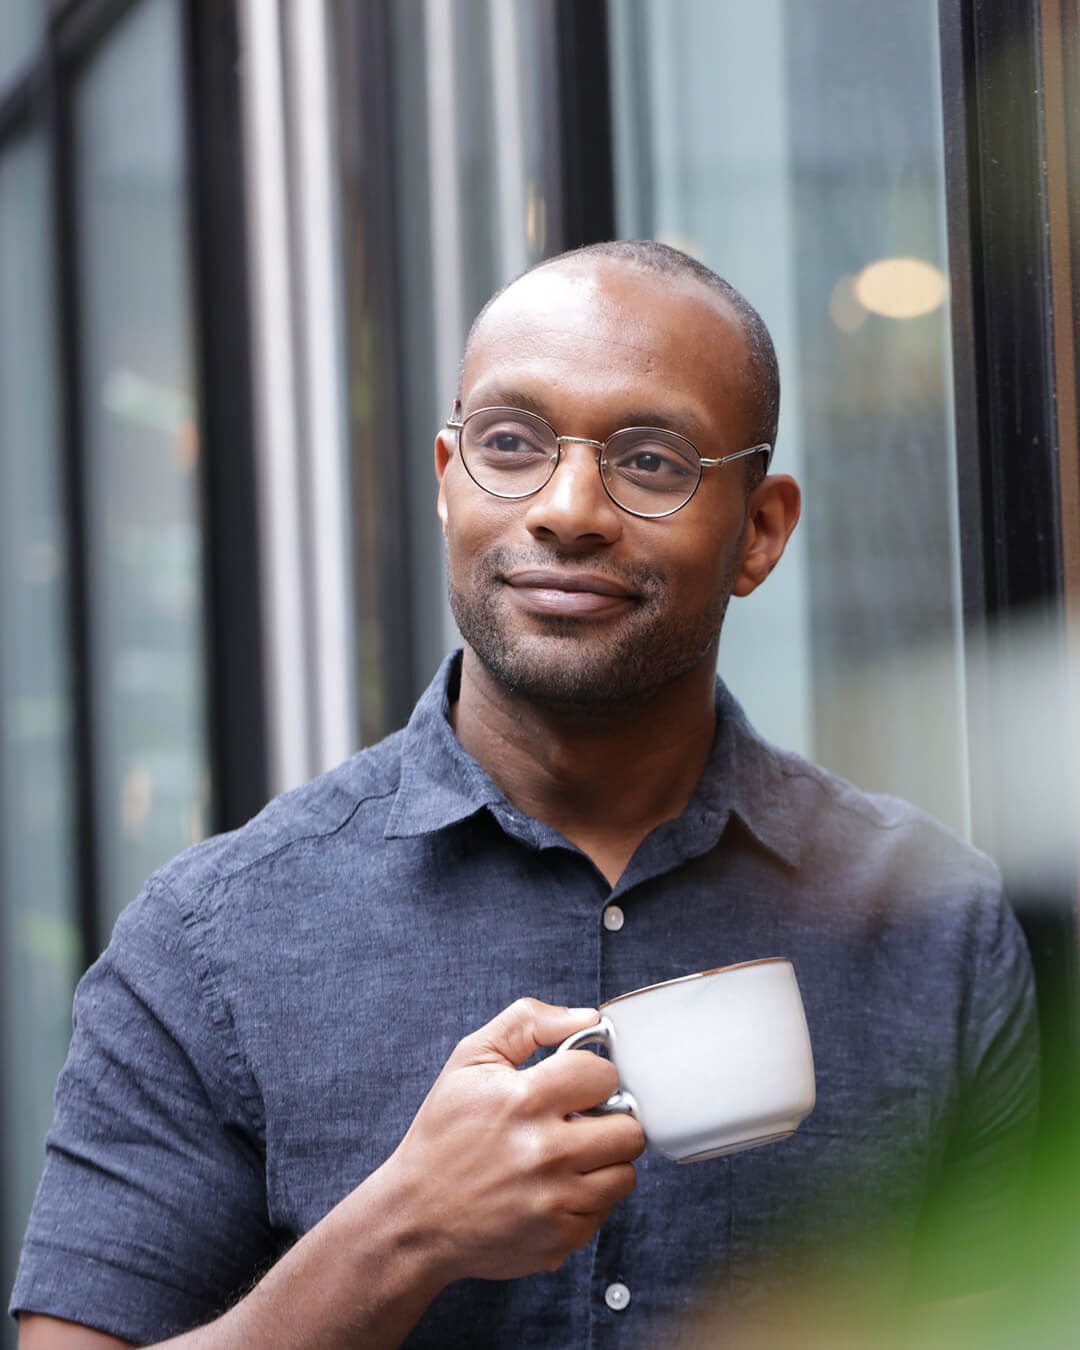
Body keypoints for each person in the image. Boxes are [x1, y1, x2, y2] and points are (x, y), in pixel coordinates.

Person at [12, 241, 1037, 1349]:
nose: (568, 508)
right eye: (512, 444)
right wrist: (403, 1232)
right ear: (449, 480)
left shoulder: (934, 922)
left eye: (652, 462)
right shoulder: (210, 940)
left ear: (761, 530)